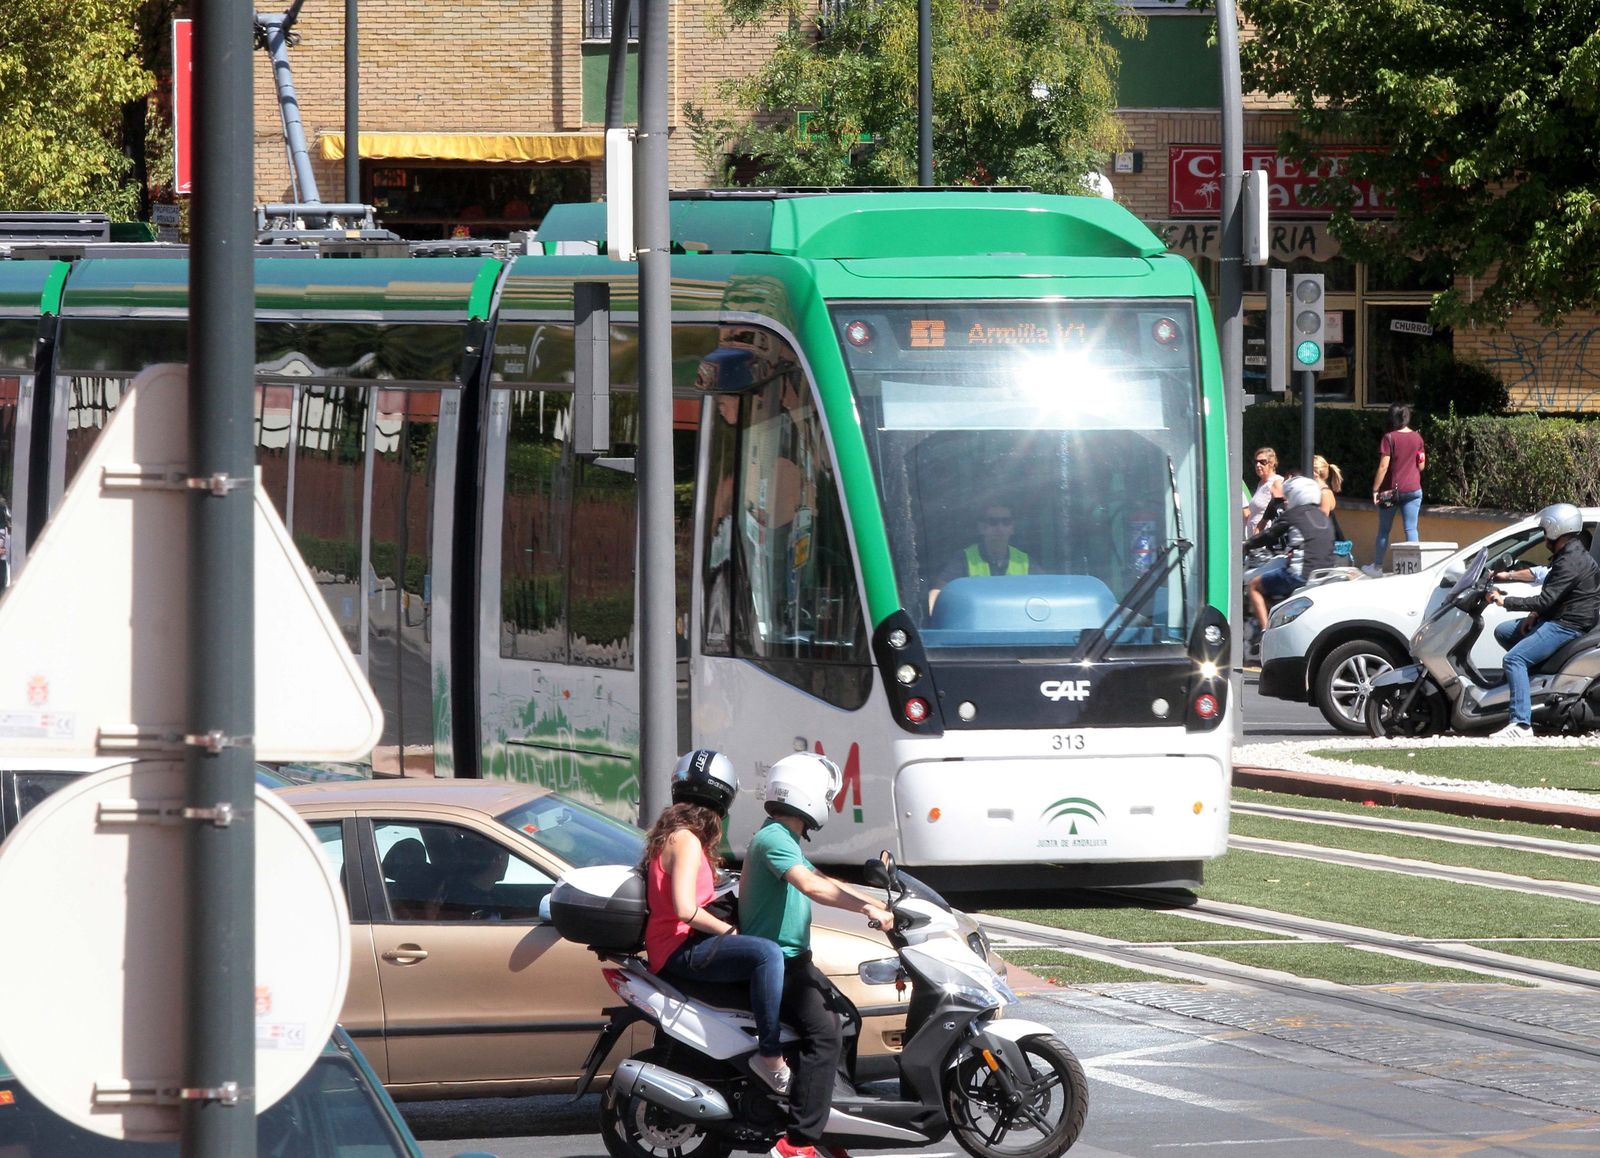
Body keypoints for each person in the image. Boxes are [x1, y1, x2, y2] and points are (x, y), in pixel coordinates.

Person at [741, 753, 895, 1158]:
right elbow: (811, 886)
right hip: (778, 965)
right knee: (825, 1035)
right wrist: (866, 909)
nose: (828, 802)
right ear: (806, 793)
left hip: (793, 962)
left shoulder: (782, 837)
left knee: (847, 1019)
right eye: (826, 795)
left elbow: (825, 879)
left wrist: (883, 903)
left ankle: (824, 1125)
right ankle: (799, 1142)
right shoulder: (774, 838)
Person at [642, 750, 791, 1092]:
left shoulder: (672, 835)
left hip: (676, 945)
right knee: (767, 954)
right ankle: (770, 1056)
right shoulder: (688, 840)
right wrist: (727, 929)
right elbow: (684, 908)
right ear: (723, 800)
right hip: (680, 948)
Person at [1486, 503, 1600, 739]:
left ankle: (1521, 724)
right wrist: (1533, 615)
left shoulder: (1570, 561)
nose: (1544, 535)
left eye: (1546, 529)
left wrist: (1504, 601)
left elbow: (1546, 599)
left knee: (1514, 659)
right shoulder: (1569, 553)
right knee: (1505, 632)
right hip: (1559, 617)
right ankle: (1524, 690)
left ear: (1556, 529)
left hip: (1567, 625)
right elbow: (1555, 591)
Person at [1243, 475, 1338, 642]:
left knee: (1253, 586)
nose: (1286, 500)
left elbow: (1269, 535)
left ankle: (1267, 635)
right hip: (1324, 573)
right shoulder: (1323, 516)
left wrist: (1246, 544)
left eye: (1288, 496)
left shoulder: (1294, 514)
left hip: (1300, 573)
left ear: (1297, 495)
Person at [928, 502, 1030, 610]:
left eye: (1006, 522)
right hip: (973, 624)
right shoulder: (963, 559)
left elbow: (1044, 591)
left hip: (1015, 623)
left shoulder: (1025, 561)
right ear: (981, 528)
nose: (1000, 528)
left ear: (1012, 528)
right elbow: (939, 591)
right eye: (993, 522)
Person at [1369, 404, 1427, 575]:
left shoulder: (1389, 438)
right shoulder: (1418, 438)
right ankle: (1415, 571)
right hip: (1414, 489)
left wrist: (1375, 489)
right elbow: (1421, 465)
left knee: (1384, 530)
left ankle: (1377, 567)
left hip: (1390, 492)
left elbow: (1383, 467)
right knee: (1411, 528)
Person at [1243, 447, 1284, 536]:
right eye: (1256, 462)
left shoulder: (1276, 482)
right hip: (1254, 537)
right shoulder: (1261, 483)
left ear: (1272, 463)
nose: (1258, 465)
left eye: (1262, 462)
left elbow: (1281, 511)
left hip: (1265, 538)